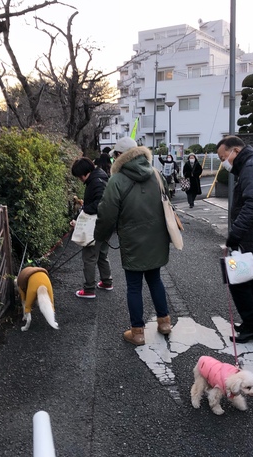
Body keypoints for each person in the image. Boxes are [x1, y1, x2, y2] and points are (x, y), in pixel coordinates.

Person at [94, 137, 172, 346]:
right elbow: (166, 200)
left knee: (134, 286)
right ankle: (164, 322)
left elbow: (107, 213)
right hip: (157, 237)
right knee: (155, 279)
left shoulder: (117, 180)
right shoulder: (155, 173)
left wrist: (99, 236)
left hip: (132, 239)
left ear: (119, 156)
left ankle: (137, 332)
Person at [216, 135, 253, 343]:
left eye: (224, 157)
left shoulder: (251, 168)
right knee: (250, 281)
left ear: (236, 151)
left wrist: (235, 235)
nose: (224, 162)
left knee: (239, 281)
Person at [71, 157, 113, 299]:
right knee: (102, 254)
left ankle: (89, 289)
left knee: (89, 256)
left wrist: (84, 210)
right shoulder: (101, 177)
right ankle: (106, 282)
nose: (79, 179)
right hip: (106, 224)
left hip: (97, 226)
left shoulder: (96, 182)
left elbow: (98, 205)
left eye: (78, 176)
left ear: (84, 173)